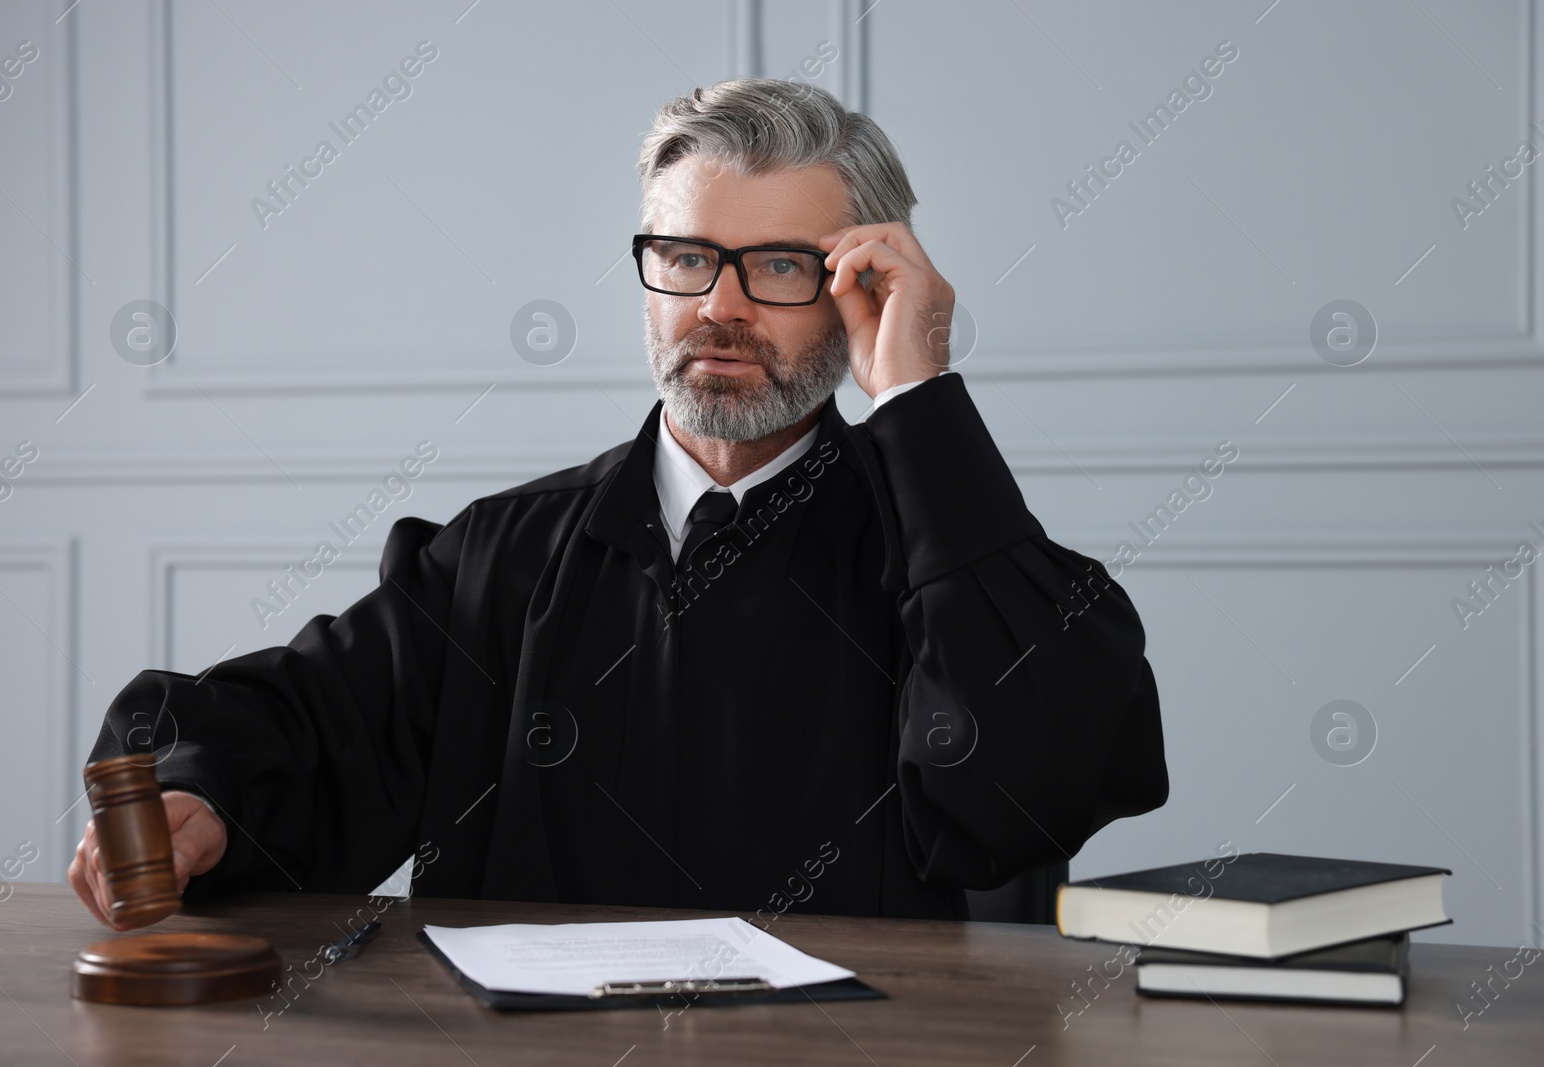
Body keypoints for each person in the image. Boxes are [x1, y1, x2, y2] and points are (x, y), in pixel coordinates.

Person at [70, 78, 1168, 930]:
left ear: (860, 290)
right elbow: (311, 727)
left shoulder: (941, 544)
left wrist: (918, 397)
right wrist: (202, 799)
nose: (719, 306)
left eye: (779, 265)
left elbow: (1043, 770)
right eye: (686, 258)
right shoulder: (499, 556)